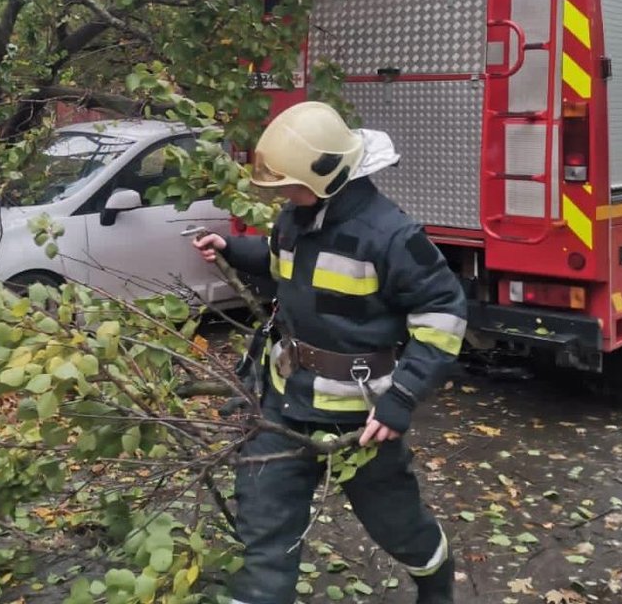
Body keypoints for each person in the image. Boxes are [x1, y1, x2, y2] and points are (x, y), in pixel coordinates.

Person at [192, 101, 464, 604]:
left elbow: (444, 313)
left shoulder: (392, 237)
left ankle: (436, 582)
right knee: (265, 530)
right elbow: (280, 266)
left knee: (398, 524)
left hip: (360, 422)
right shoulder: (297, 219)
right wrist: (230, 248)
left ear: (328, 177)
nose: (285, 197)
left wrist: (401, 397)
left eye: (291, 187)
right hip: (284, 404)